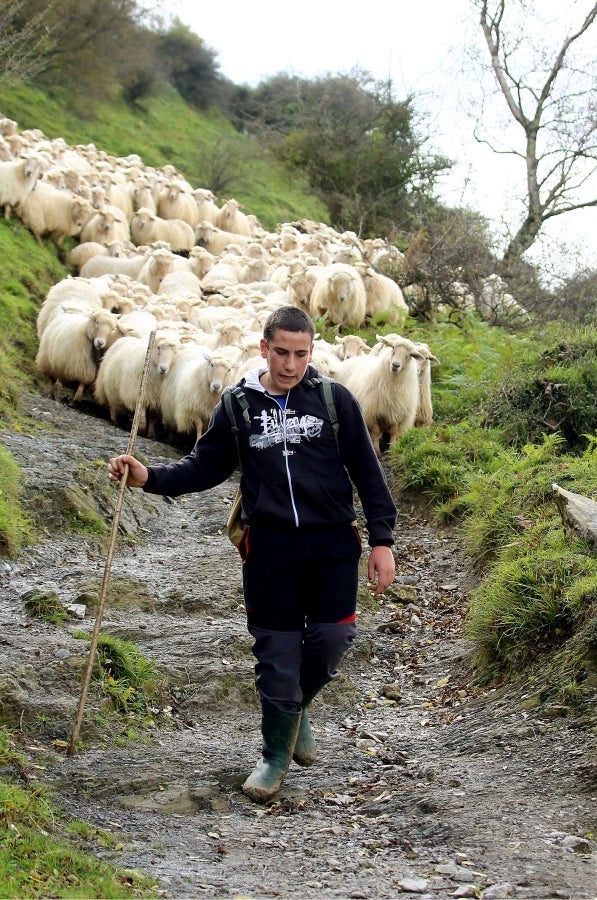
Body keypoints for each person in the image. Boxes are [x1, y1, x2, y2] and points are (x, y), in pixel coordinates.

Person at [108, 306, 397, 803]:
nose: (291, 364)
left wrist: (382, 541)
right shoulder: (239, 406)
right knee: (277, 652)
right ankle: (273, 755)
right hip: (269, 548)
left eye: (301, 354)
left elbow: (368, 474)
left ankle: (294, 709)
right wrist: (148, 477)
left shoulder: (334, 400)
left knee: (333, 639)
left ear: (312, 350)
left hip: (331, 544)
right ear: (264, 349)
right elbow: (204, 467)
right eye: (281, 353)